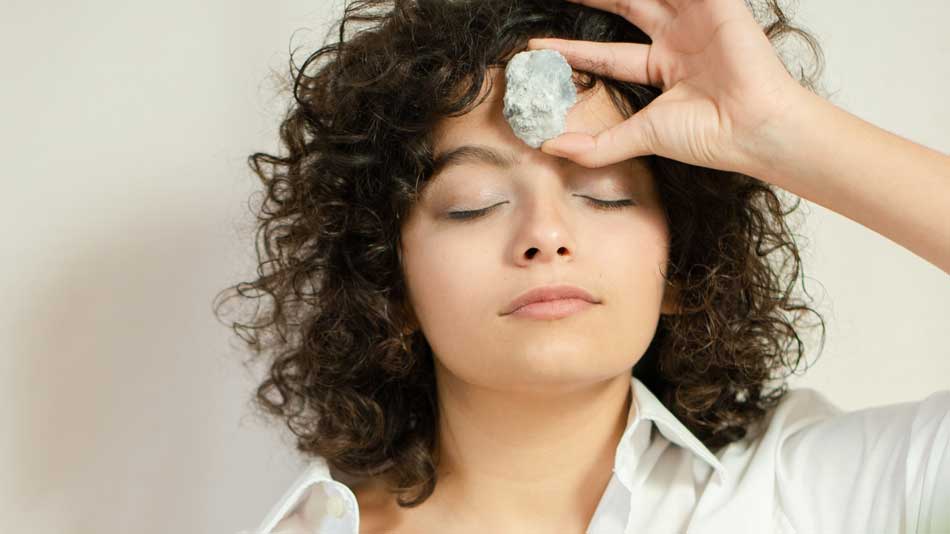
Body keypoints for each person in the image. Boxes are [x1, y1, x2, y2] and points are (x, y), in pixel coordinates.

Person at [214, 0, 950, 532]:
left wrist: (780, 131)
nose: (546, 236)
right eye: (473, 203)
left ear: (684, 268)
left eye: (604, 196)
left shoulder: (810, 493)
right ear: (388, 280)